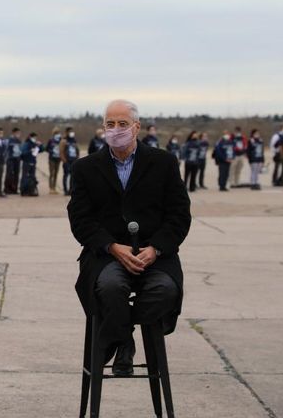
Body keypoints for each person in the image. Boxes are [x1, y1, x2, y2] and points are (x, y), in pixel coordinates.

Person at [68, 99, 191, 377]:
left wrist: (156, 248)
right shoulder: (85, 168)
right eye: (110, 124)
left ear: (136, 127)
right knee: (110, 287)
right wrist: (112, 247)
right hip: (107, 256)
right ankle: (124, 340)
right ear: (103, 128)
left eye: (122, 124)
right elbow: (80, 219)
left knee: (165, 291)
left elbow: (179, 215)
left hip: (155, 256)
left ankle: (117, 333)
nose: (116, 129)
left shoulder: (164, 163)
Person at [19, 132, 43, 196]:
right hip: (26, 162)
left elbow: (41, 150)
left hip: (33, 162)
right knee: (25, 177)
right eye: (34, 137)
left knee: (32, 177)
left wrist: (40, 145)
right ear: (30, 137)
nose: (35, 139)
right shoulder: (26, 144)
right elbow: (23, 153)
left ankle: (31, 190)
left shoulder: (35, 144)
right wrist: (30, 151)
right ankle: (23, 190)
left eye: (36, 137)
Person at [59, 127, 79, 196]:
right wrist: (64, 161)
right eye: (70, 132)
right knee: (66, 175)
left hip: (74, 160)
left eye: (72, 131)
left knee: (73, 176)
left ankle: (71, 190)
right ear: (67, 132)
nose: (72, 133)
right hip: (67, 161)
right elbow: (61, 152)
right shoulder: (64, 141)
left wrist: (77, 158)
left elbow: (77, 150)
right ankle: (65, 190)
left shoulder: (74, 140)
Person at [4, 128, 22, 195]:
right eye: (17, 133)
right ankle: (7, 189)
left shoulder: (19, 141)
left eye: (19, 133)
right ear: (14, 133)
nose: (19, 135)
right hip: (10, 159)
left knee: (16, 174)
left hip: (17, 159)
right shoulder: (9, 140)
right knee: (9, 174)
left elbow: (20, 150)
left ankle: (15, 189)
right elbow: (5, 149)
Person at [46, 127, 62, 195]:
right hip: (52, 158)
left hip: (58, 159)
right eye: (56, 133)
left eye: (58, 133)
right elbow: (47, 148)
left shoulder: (61, 140)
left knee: (56, 173)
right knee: (51, 173)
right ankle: (51, 188)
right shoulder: (51, 140)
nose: (57, 134)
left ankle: (54, 188)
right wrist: (51, 151)